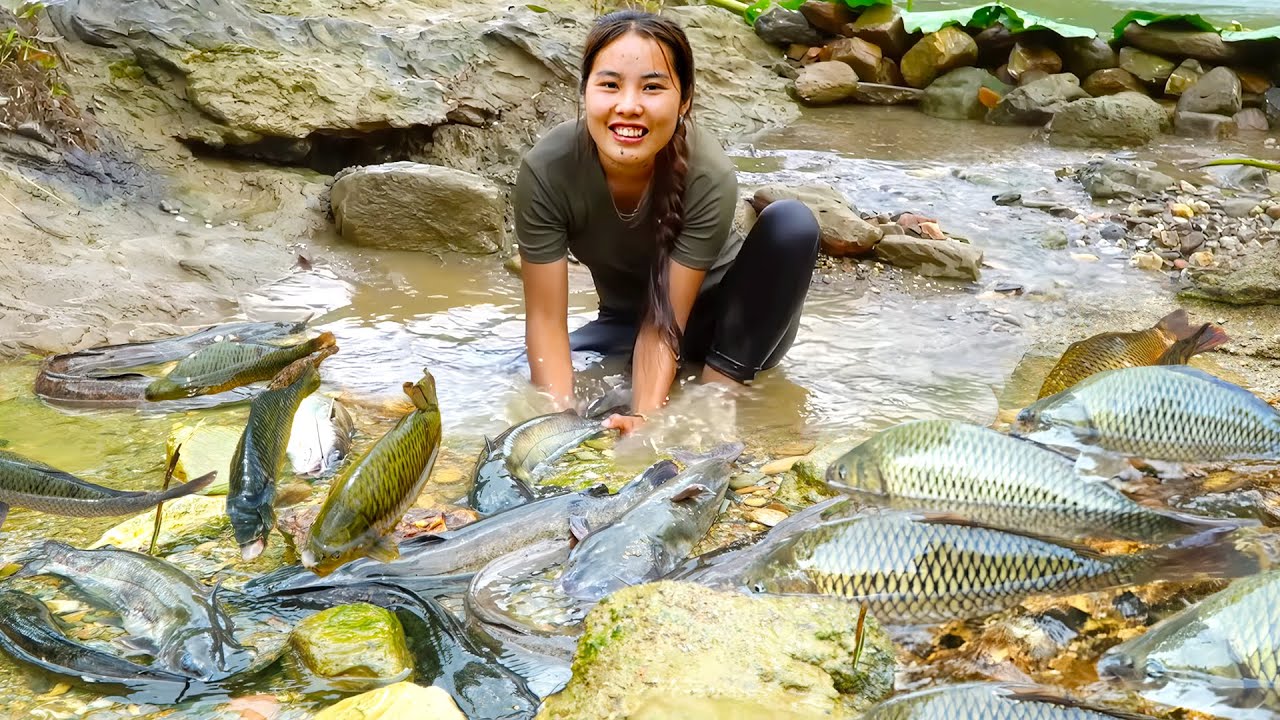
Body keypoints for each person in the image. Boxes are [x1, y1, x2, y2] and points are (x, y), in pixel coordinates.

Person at [513, 9, 820, 435]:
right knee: (525, 375)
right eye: (609, 85)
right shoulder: (547, 170)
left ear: (685, 100)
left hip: (729, 330)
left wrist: (647, 419)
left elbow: (666, 322)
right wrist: (558, 420)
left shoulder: (708, 172)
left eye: (653, 87)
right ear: (585, 92)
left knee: (793, 223)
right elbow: (546, 321)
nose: (628, 106)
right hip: (625, 324)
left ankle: (719, 393)